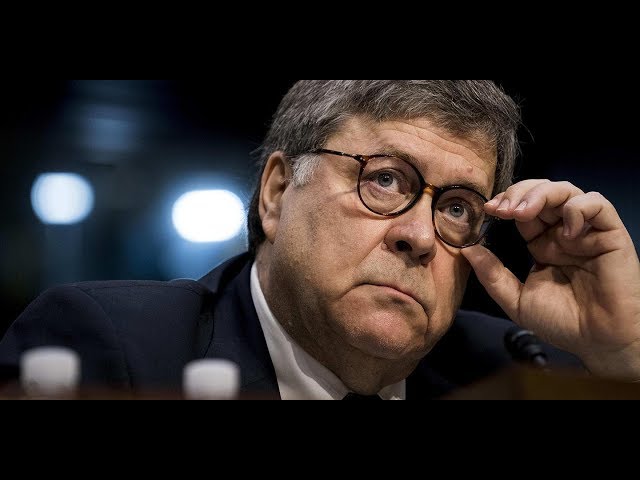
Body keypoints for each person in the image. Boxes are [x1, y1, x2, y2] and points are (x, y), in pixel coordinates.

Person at [1, 80, 639, 400]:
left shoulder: (515, 370)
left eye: (456, 207)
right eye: (384, 179)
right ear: (277, 192)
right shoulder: (113, 348)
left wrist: (622, 356)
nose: (420, 236)